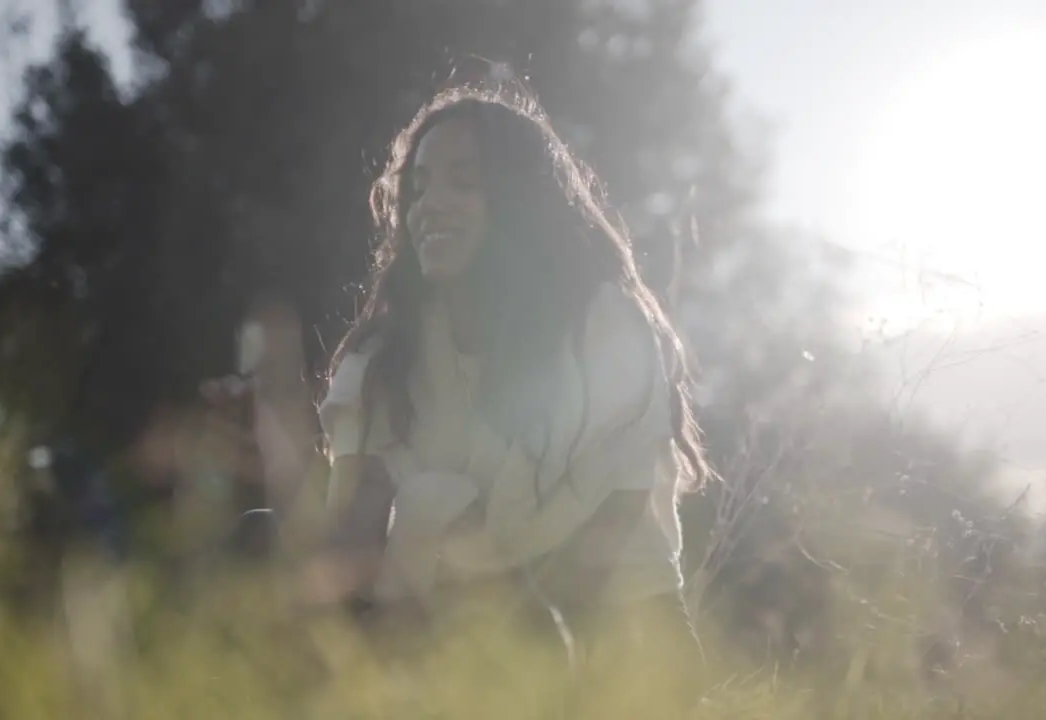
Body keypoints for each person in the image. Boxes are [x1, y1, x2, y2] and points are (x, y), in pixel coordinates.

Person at [208, 81, 711, 717]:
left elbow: (599, 548)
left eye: (463, 183)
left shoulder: (605, 328)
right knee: (259, 543)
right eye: (418, 188)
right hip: (445, 601)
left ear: (520, 201)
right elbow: (355, 537)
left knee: (532, 631)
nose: (430, 206)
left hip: (611, 625)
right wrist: (278, 473)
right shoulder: (388, 357)